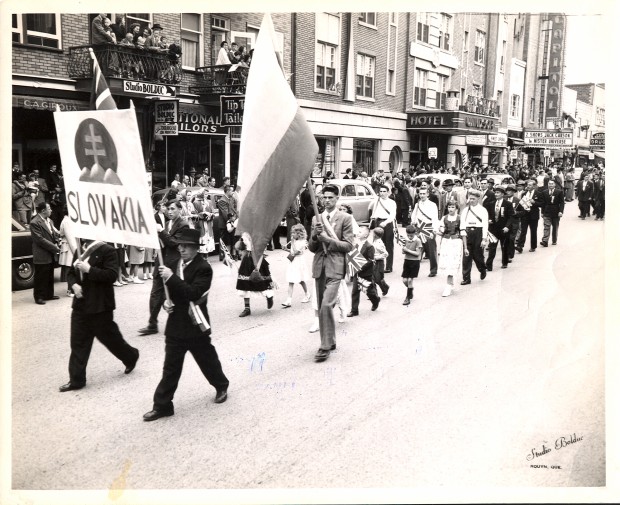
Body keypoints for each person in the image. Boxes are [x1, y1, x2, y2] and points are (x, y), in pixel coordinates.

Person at [143, 228, 229, 421]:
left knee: (207, 360)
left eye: (186, 246)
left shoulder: (204, 267)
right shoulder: (174, 263)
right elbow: (170, 292)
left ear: (196, 248)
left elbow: (193, 293)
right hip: (175, 326)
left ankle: (221, 385)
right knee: (170, 367)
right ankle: (163, 405)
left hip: (195, 324)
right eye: (179, 245)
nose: (181, 249)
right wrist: (167, 303)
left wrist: (171, 277)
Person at [59, 239, 139, 392]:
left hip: (100, 305)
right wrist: (74, 285)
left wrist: (89, 270)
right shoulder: (80, 248)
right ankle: (76, 380)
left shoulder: (107, 250)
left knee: (110, 339)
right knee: (78, 342)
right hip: (81, 304)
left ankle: (131, 356)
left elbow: (112, 275)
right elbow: (71, 273)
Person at [308, 184, 354, 362]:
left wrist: (327, 239)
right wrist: (314, 236)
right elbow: (312, 248)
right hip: (320, 266)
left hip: (336, 266)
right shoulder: (316, 218)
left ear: (337, 199)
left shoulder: (346, 218)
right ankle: (330, 340)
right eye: (324, 197)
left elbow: (348, 245)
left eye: (330, 198)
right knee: (321, 306)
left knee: (327, 304)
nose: (327, 200)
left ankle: (324, 346)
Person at [139, 200, 190, 335]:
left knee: (175, 293)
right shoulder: (168, 223)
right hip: (161, 261)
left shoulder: (183, 225)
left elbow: (174, 243)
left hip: (173, 263)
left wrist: (161, 231)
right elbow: (163, 242)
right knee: (156, 292)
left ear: (180, 209)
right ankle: (152, 324)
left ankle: (182, 321)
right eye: (168, 209)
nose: (170, 211)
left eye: (173, 209)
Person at [235, 233, 275, 317]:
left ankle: (269, 297)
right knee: (244, 283)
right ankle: (247, 308)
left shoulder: (260, 233)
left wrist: (257, 266)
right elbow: (242, 249)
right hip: (247, 259)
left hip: (258, 259)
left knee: (262, 282)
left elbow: (262, 252)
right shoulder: (244, 233)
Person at [30, 202, 61, 305]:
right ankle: (39, 297)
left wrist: (57, 240)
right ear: (43, 211)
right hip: (42, 253)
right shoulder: (35, 222)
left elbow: (53, 234)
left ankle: (48, 294)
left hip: (50, 252)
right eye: (49, 208)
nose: (51, 210)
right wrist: (54, 247)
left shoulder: (50, 221)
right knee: (41, 275)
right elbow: (39, 239)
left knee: (49, 274)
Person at [347, 226, 379, 316]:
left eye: (360, 232)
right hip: (357, 273)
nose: (358, 233)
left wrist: (361, 267)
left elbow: (371, 260)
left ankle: (375, 300)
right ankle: (354, 310)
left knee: (369, 291)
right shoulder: (356, 245)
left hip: (366, 273)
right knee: (355, 291)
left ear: (365, 235)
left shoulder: (369, 246)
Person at [459, 190, 488, 285]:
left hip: (478, 232)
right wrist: (463, 231)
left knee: (478, 255)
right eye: (470, 198)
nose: (471, 200)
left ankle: (482, 269)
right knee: (466, 256)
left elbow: (485, 225)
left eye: (473, 199)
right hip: (468, 233)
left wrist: (484, 239)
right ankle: (466, 278)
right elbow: (462, 222)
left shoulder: (483, 210)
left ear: (478, 199)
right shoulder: (465, 210)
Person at [410, 187, 439, 277]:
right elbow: (414, 215)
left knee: (431, 251)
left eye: (424, 194)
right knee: (417, 249)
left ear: (427, 194)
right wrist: (413, 223)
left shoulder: (432, 204)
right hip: (419, 229)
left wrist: (434, 230)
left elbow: (435, 218)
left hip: (428, 228)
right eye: (420, 194)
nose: (422, 195)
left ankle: (433, 270)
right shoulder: (417, 205)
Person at [368, 184, 397, 272]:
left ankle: (389, 266)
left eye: (384, 191)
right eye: (380, 191)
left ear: (388, 192)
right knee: (377, 244)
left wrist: (385, 222)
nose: (382, 193)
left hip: (387, 223)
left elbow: (392, 215)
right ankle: (377, 265)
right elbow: (370, 208)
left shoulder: (392, 202)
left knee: (388, 245)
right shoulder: (376, 200)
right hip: (378, 222)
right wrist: (373, 217)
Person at [437, 201, 464, 297]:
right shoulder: (444, 218)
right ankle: (450, 283)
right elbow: (441, 231)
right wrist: (438, 231)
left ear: (456, 208)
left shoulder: (460, 218)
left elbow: (463, 233)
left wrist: (465, 248)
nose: (450, 209)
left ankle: (448, 285)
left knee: (453, 263)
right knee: (446, 262)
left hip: (456, 242)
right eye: (449, 207)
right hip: (446, 242)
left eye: (452, 207)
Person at [281, 224, 312, 307]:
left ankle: (307, 294)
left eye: (293, 233)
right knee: (291, 280)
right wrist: (286, 249)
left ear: (299, 234)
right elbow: (292, 252)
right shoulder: (295, 241)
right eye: (292, 233)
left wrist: (293, 243)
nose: (292, 235)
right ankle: (288, 300)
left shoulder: (302, 242)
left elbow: (296, 252)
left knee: (301, 280)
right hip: (293, 262)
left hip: (299, 262)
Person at [485, 186, 515, 271]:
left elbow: (511, 217)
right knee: (492, 247)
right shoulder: (491, 203)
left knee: (504, 246)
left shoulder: (507, 204)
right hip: (493, 229)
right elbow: (489, 215)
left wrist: (507, 226)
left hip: (504, 229)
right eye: (495, 193)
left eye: (498, 193)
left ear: (502, 194)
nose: (496, 194)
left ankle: (504, 262)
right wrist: (489, 220)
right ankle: (489, 265)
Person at [515, 179, 542, 252]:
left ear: (534, 186)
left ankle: (533, 246)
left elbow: (542, 204)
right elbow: (521, 204)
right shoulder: (524, 194)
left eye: (530, 185)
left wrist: (534, 202)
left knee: (533, 231)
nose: (528, 186)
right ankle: (520, 246)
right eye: (527, 185)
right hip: (525, 214)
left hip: (534, 215)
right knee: (523, 231)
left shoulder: (538, 193)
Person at [401, 225, 423, 304]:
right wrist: (403, 250)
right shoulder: (405, 240)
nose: (410, 237)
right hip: (407, 260)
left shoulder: (417, 241)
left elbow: (417, 253)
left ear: (415, 233)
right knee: (404, 281)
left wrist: (407, 250)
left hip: (414, 262)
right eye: (408, 235)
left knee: (410, 280)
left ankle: (408, 298)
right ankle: (410, 289)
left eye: (411, 236)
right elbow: (403, 251)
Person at [539, 180, 565, 246]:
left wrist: (561, 211)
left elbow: (562, 202)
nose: (550, 185)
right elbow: (543, 203)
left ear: (555, 185)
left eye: (552, 184)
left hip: (556, 211)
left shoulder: (559, 192)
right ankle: (545, 241)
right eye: (549, 184)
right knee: (546, 226)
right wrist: (542, 212)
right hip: (547, 211)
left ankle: (554, 240)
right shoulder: (544, 192)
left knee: (555, 227)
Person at [217, 184, 238, 259]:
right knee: (224, 240)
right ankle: (222, 256)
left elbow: (235, 210)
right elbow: (225, 214)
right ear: (228, 191)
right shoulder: (222, 200)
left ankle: (232, 255)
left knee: (232, 239)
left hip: (231, 221)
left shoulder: (232, 198)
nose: (233, 193)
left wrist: (235, 218)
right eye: (232, 191)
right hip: (224, 223)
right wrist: (231, 221)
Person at [371, 227, 389, 300]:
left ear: (375, 235)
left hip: (379, 262)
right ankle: (374, 294)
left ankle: (385, 287)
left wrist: (377, 257)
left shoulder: (379, 244)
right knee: (372, 278)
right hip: (373, 262)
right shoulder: (375, 241)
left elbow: (385, 254)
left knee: (378, 278)